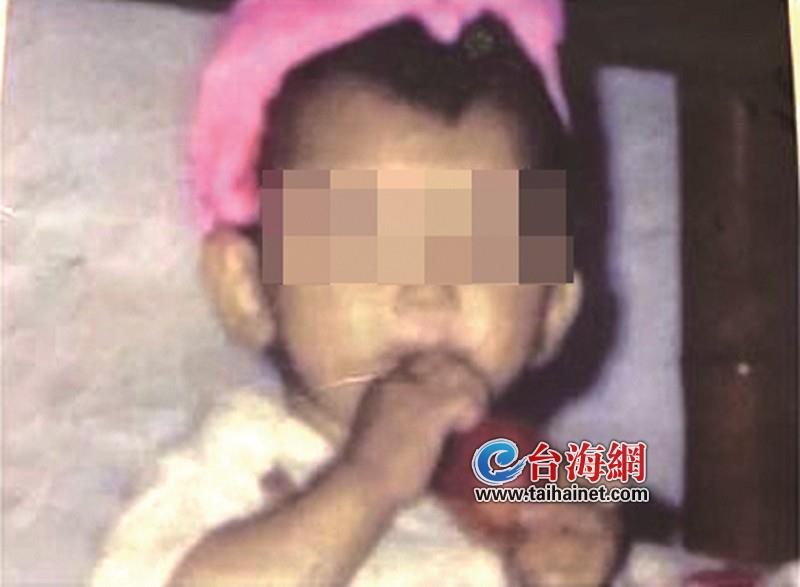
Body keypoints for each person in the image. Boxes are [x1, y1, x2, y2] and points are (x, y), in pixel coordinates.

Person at [91, 2, 623, 586]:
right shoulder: (240, 458)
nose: (427, 293)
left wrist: (583, 557)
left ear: (551, 310)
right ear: (249, 290)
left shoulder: (525, 477)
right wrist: (367, 483)